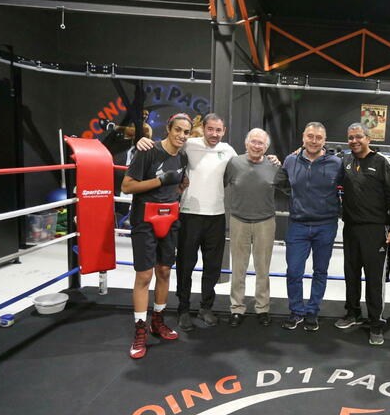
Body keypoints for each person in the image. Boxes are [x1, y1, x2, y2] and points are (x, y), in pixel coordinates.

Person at [137, 113, 236, 331]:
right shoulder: (189, 144)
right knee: (185, 266)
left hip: (217, 216)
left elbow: (248, 163)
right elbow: (165, 146)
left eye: (218, 130)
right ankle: (183, 309)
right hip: (189, 214)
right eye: (210, 129)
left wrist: (273, 159)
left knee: (212, 266)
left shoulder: (228, 150)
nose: (214, 134)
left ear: (224, 131)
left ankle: (206, 307)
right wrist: (143, 141)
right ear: (204, 128)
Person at [121, 113, 191, 359]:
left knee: (164, 271)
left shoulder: (182, 156)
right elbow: (127, 186)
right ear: (168, 129)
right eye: (178, 130)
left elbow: (178, 184)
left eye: (186, 132)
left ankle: (157, 321)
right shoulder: (148, 151)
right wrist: (159, 181)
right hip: (145, 219)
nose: (182, 135)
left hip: (169, 218)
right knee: (144, 275)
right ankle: (140, 329)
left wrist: (180, 186)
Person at [335, 122, 390, 345]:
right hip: (351, 228)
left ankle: (376, 323)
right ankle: (353, 313)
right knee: (351, 274)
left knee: (375, 279)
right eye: (350, 137)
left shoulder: (383, 162)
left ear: (368, 138)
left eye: (358, 137)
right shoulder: (345, 161)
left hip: (376, 230)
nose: (354, 141)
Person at [275, 122, 343, 332]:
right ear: (303, 137)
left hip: (326, 224)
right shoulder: (290, 160)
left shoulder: (336, 163)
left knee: (320, 271)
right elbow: (281, 183)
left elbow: (348, 188)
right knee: (294, 271)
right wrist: (296, 199)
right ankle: (296, 311)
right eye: (310, 136)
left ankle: (312, 311)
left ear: (324, 140)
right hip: (298, 224)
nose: (314, 141)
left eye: (318, 137)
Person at [223, 128, 279, 327]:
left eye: (261, 143)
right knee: (238, 267)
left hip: (265, 221)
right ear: (246, 144)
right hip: (239, 220)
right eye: (253, 142)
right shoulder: (234, 163)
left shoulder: (274, 165)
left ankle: (262, 308)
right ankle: (237, 308)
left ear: (267, 147)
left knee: (263, 268)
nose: (257, 146)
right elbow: (221, 184)